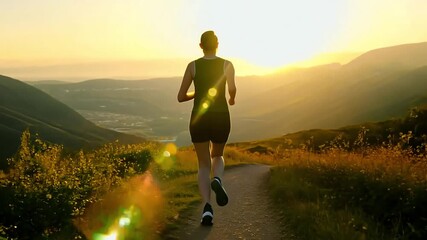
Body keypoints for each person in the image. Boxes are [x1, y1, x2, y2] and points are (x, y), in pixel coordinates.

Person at [177, 30, 236, 226]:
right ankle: (217, 178)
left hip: (199, 118)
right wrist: (232, 98)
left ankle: (207, 208)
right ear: (217, 44)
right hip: (221, 116)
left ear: (200, 45)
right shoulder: (227, 65)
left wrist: (197, 93)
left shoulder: (192, 66)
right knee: (217, 156)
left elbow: (180, 96)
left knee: (203, 164)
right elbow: (232, 89)